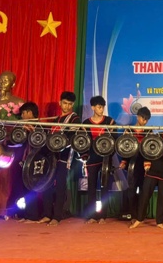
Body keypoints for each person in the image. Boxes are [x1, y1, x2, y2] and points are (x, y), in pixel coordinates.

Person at [130, 113, 163, 229]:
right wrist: (147, 163)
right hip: (152, 169)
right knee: (145, 195)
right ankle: (139, 219)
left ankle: (159, 222)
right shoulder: (158, 136)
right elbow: (148, 150)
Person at [42, 91, 79, 226]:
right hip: (51, 156)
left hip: (64, 156)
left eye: (70, 104)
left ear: (72, 105)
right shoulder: (56, 119)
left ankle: (57, 217)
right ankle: (47, 214)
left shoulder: (74, 119)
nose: (67, 106)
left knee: (60, 186)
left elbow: (72, 137)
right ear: (60, 103)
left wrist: (60, 145)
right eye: (65, 103)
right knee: (47, 184)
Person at [81, 95, 115, 224]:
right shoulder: (86, 123)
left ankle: (103, 216)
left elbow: (115, 140)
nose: (101, 110)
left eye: (103, 107)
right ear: (93, 107)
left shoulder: (110, 122)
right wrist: (84, 155)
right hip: (92, 157)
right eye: (99, 107)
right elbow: (82, 142)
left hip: (106, 157)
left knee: (105, 186)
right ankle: (92, 216)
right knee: (91, 187)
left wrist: (110, 154)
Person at [119, 106, 151, 223]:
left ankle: (141, 215)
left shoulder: (149, 132)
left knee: (143, 190)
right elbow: (124, 147)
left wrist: (148, 163)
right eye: (143, 118)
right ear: (138, 117)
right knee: (131, 189)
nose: (145, 121)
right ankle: (133, 215)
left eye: (146, 119)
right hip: (132, 163)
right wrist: (124, 161)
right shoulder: (129, 130)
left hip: (144, 165)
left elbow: (151, 150)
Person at [17, 101, 42, 223]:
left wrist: (32, 131)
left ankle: (33, 216)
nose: (22, 116)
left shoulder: (40, 126)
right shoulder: (23, 127)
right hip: (24, 161)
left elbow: (40, 142)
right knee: (24, 188)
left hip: (35, 161)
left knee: (32, 188)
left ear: (30, 113)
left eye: (23, 113)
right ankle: (26, 214)